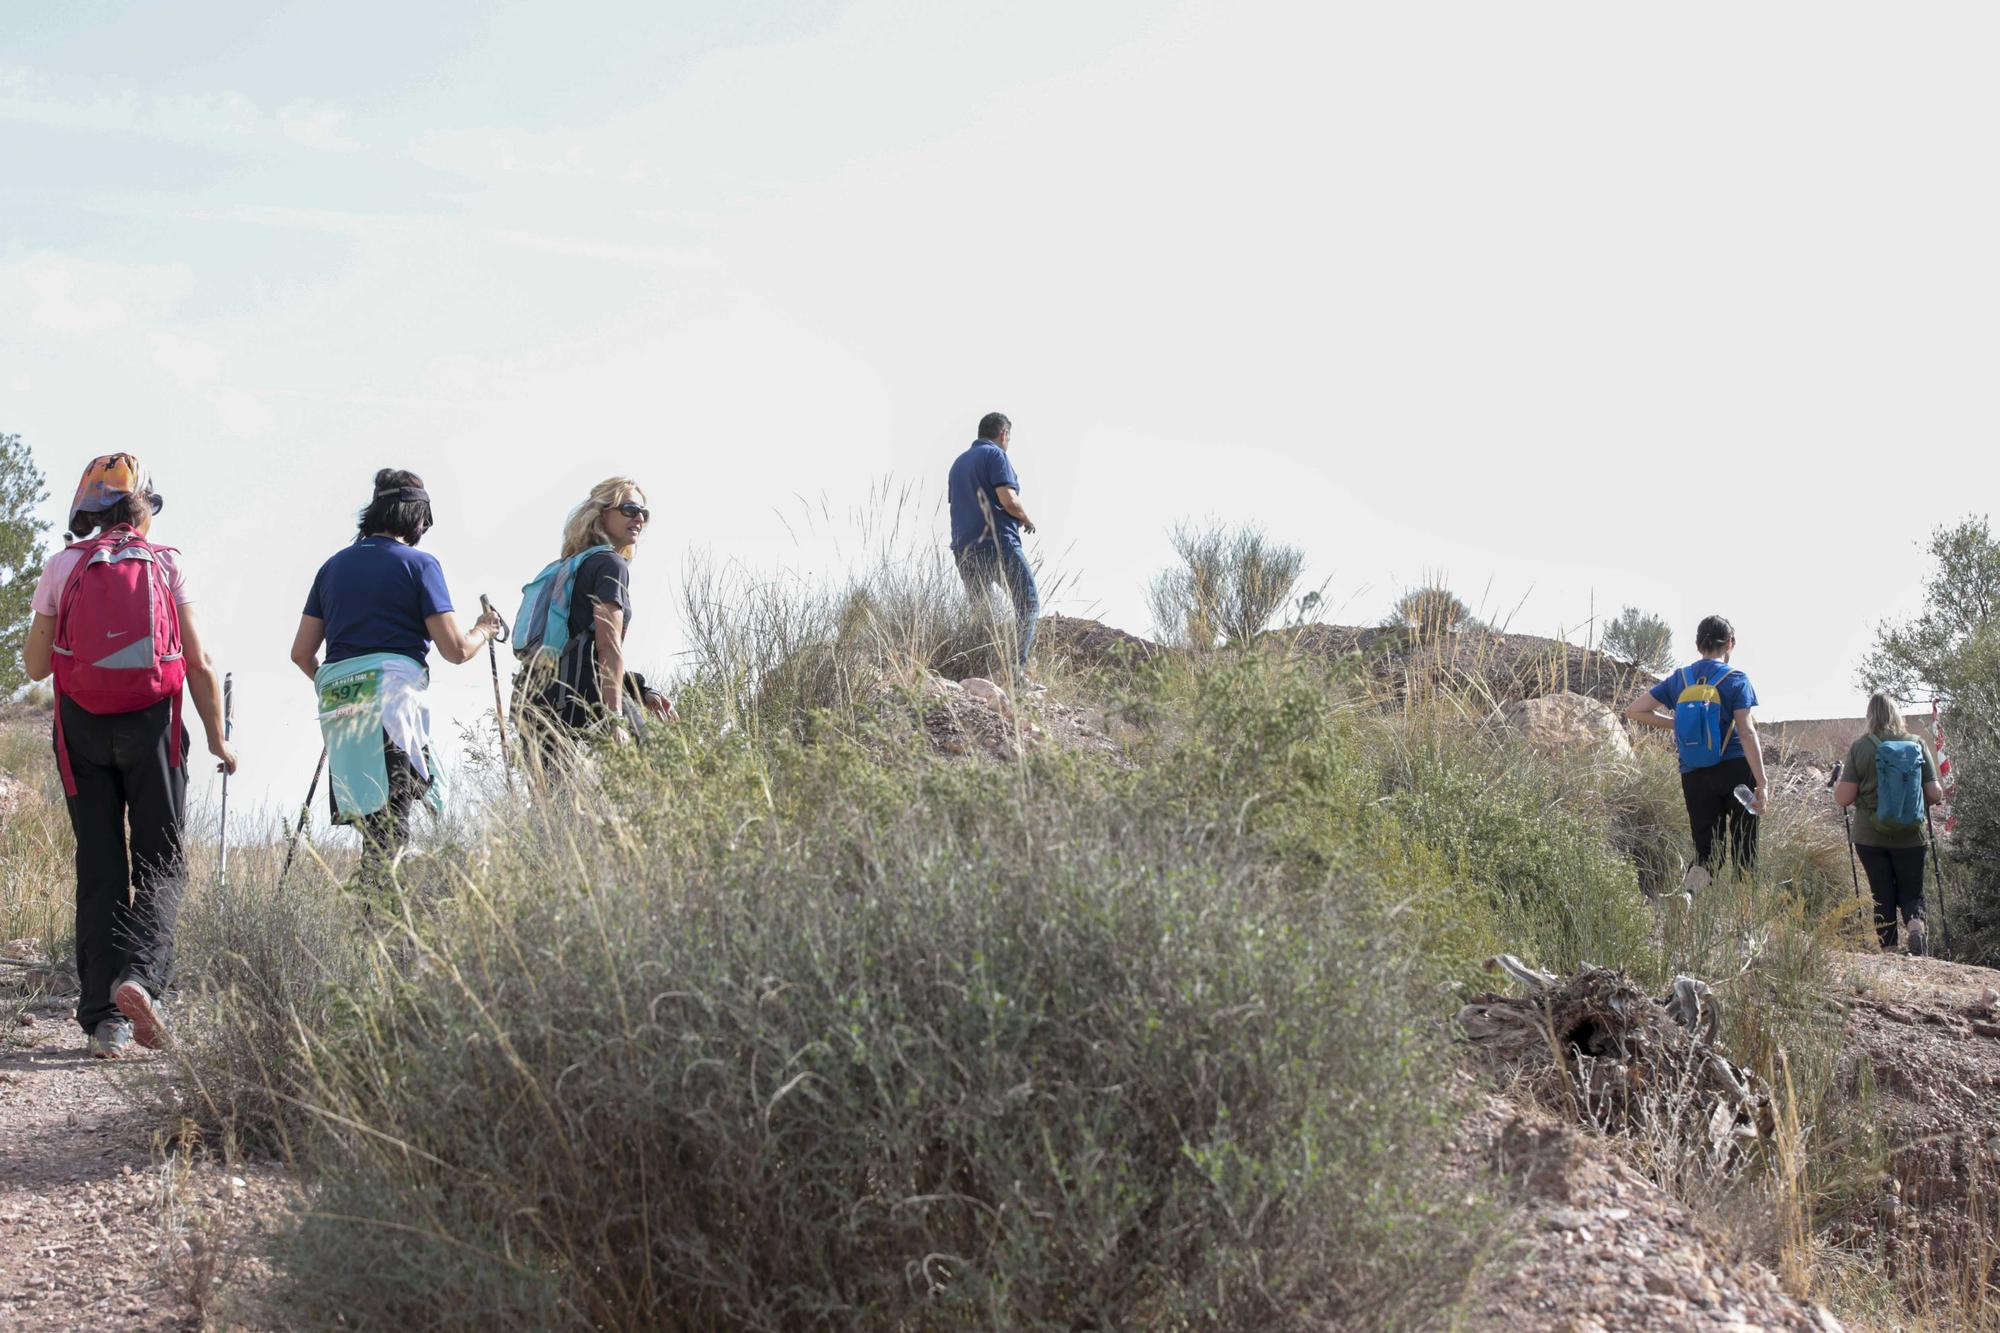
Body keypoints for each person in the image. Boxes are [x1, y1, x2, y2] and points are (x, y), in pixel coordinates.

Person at [21, 454, 237, 1058]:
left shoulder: (64, 564)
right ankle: (140, 979)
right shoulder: (166, 563)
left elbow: (37, 667)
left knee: (100, 868)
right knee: (162, 863)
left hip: (81, 729)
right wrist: (220, 741)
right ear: (143, 511)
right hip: (153, 727)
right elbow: (198, 662)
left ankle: (102, 1024)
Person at [288, 469, 501, 893]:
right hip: (391, 707)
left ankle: (373, 928)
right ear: (417, 517)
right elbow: (456, 649)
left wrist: (343, 688)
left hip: (341, 710)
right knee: (392, 832)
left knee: (374, 829)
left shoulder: (332, 568)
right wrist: (485, 629)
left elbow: (301, 654)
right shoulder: (419, 565)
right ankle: (384, 937)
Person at [513, 477, 674, 772]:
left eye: (644, 513)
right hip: (586, 695)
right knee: (656, 777)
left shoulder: (565, 566)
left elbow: (576, 645)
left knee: (553, 809)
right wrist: (614, 718)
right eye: (629, 509)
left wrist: (639, 688)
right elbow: (606, 649)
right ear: (602, 513)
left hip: (536, 697)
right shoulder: (610, 564)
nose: (639, 518)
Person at [1624, 615, 1768, 890]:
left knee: (1706, 850)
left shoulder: (1680, 679)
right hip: (1737, 771)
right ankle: (1745, 927)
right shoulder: (1737, 679)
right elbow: (1747, 732)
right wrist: (1762, 782)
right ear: (1730, 644)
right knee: (1745, 848)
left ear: (1697, 644)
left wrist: (1674, 722)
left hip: (1694, 772)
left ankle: (1688, 899)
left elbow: (1634, 710)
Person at [1835, 693, 1945, 952]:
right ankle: (1916, 926)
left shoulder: (1860, 747)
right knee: (1912, 891)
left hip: (1870, 836)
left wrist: (1836, 788)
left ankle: (1890, 951)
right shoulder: (1916, 743)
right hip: (1910, 834)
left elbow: (1844, 797)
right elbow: (1935, 793)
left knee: (1880, 894)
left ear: (1870, 716)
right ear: (1897, 714)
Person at [947, 411, 1041, 685]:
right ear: (1003, 435)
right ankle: (1014, 675)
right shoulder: (996, 456)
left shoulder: (958, 464)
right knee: (1028, 602)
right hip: (997, 543)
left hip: (963, 548)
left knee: (981, 612)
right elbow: (1008, 498)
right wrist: (1026, 519)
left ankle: (976, 673)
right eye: (1008, 438)